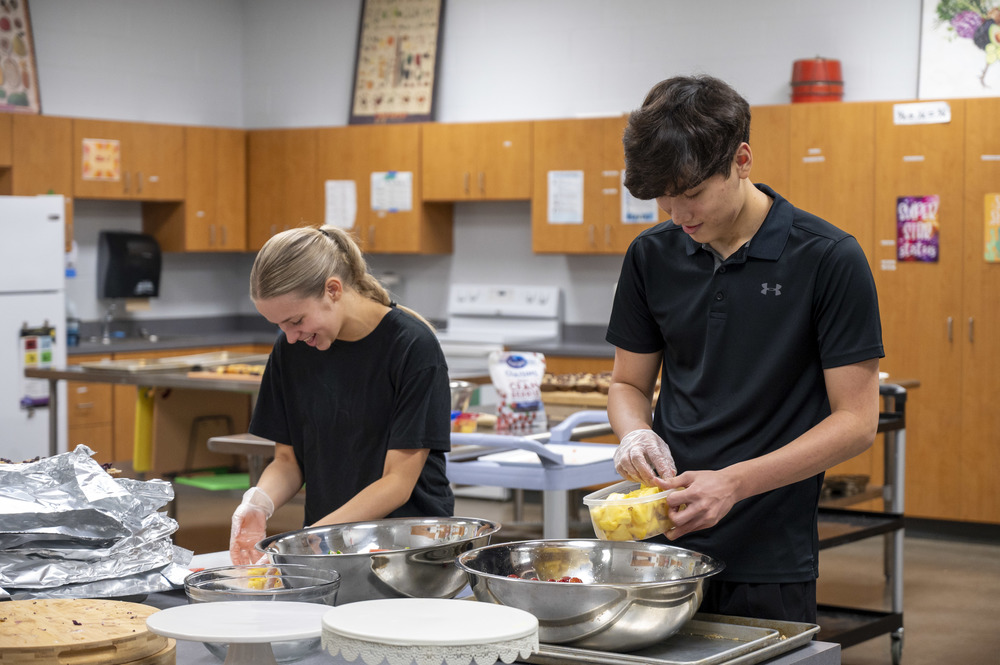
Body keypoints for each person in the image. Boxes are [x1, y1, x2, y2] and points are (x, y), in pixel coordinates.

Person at [606, 75, 884, 623]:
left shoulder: (827, 258)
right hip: (665, 538)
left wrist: (733, 483)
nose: (678, 215)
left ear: (742, 160)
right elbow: (628, 384)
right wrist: (634, 433)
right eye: (664, 200)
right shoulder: (651, 255)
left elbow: (856, 421)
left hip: (769, 550)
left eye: (691, 194)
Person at [229, 225, 454, 565]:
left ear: (332, 289)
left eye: (296, 321)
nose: (290, 337)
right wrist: (259, 503)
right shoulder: (293, 350)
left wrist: (309, 539)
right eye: (280, 326)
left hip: (409, 553)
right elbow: (289, 462)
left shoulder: (411, 347)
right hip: (329, 547)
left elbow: (397, 482)